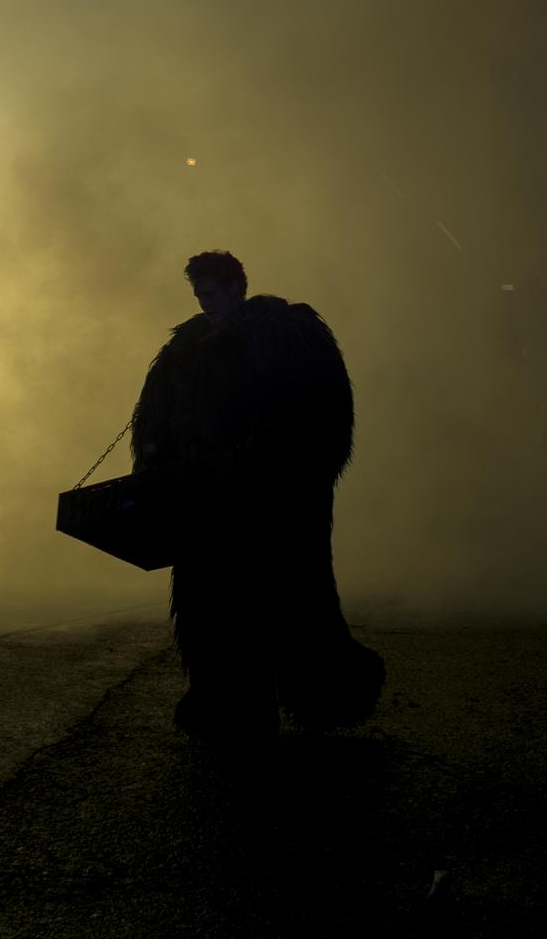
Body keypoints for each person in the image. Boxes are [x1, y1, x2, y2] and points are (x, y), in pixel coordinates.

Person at [132, 251, 383, 741]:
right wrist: (161, 468)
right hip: (206, 506)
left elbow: (320, 416)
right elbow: (156, 421)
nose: (204, 303)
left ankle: (313, 696)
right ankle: (228, 705)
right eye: (198, 295)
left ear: (236, 288)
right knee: (213, 608)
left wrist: (259, 465)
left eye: (210, 293)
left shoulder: (288, 335)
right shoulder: (186, 348)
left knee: (284, 598)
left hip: (273, 505)